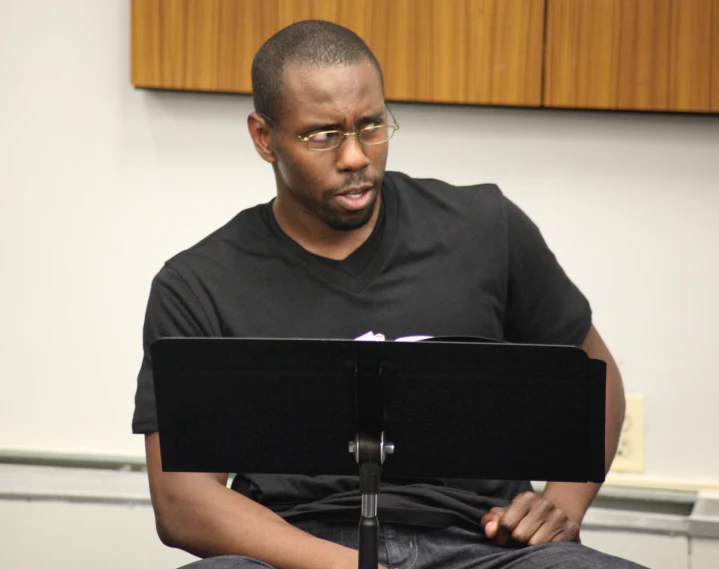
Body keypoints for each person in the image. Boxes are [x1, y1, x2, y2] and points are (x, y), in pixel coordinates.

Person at [133, 20, 646, 569]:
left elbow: (594, 372)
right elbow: (182, 500)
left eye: (372, 125)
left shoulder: (484, 227)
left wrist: (560, 506)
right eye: (323, 134)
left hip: (484, 544)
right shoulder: (196, 284)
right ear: (264, 137)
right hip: (297, 551)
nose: (355, 156)